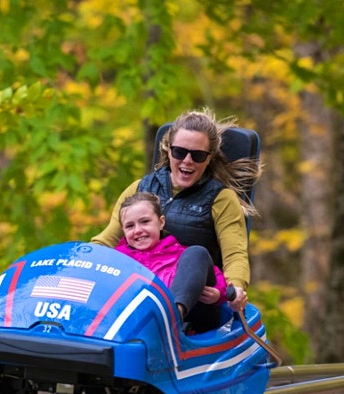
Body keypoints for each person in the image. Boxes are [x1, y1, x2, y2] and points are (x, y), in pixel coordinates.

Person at [92, 108, 261, 330]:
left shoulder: (221, 198)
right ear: (168, 150)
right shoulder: (140, 189)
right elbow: (106, 241)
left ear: (209, 158)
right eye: (180, 152)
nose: (187, 161)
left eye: (197, 155)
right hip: (138, 293)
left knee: (196, 253)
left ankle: (170, 318)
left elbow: (235, 254)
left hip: (198, 303)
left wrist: (235, 287)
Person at [115, 192, 227, 329]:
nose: (138, 230)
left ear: (161, 222)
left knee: (197, 252)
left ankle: (172, 316)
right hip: (132, 325)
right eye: (130, 226)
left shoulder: (181, 254)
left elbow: (218, 278)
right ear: (123, 230)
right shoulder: (118, 260)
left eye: (145, 222)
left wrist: (218, 293)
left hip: (186, 326)